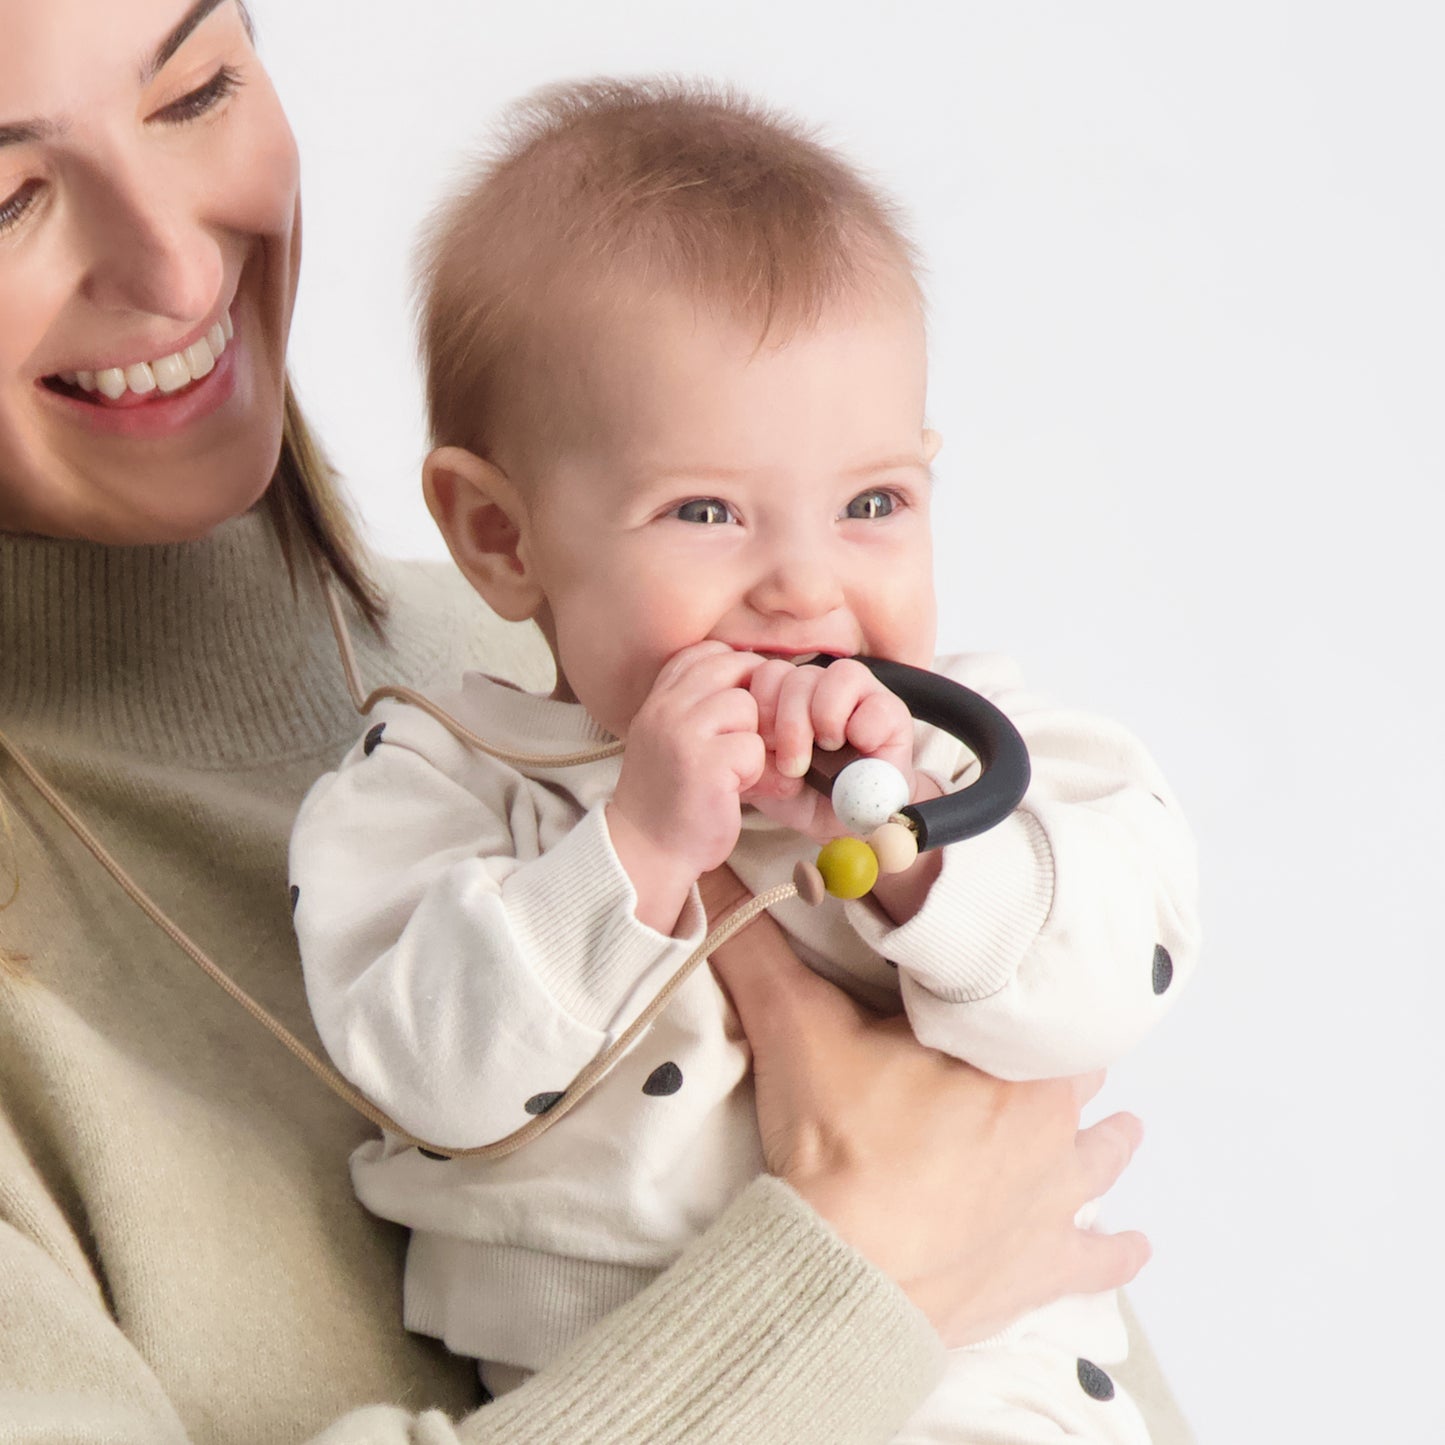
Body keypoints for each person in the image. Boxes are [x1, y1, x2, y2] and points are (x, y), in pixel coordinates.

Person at [0, 3, 1190, 1442]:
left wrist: (938, 862)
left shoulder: (850, 721)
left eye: (193, 93)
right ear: (499, 527)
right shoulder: (449, 786)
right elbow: (445, 1057)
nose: (177, 266)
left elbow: (1098, 1007)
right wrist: (863, 1268)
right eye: (5, 194)